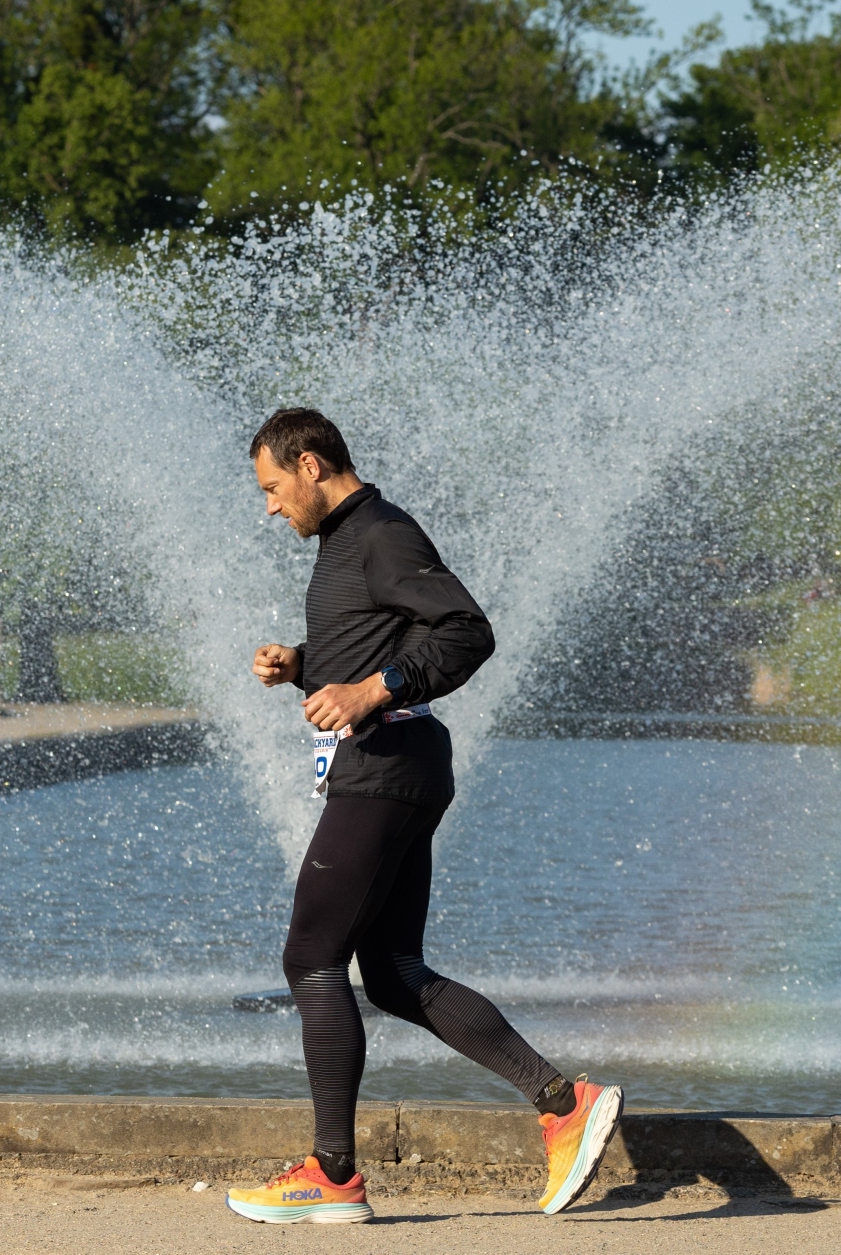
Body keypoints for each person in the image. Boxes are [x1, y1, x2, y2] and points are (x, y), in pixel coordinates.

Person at [224, 408, 623, 1226]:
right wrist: (304, 666)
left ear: (310, 465)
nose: (269, 507)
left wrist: (373, 690)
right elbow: (375, 645)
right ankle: (564, 1102)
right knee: (395, 972)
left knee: (310, 955)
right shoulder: (346, 542)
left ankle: (333, 1173)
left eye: (272, 487)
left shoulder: (381, 532)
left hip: (387, 764)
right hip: (394, 763)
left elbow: (468, 632)